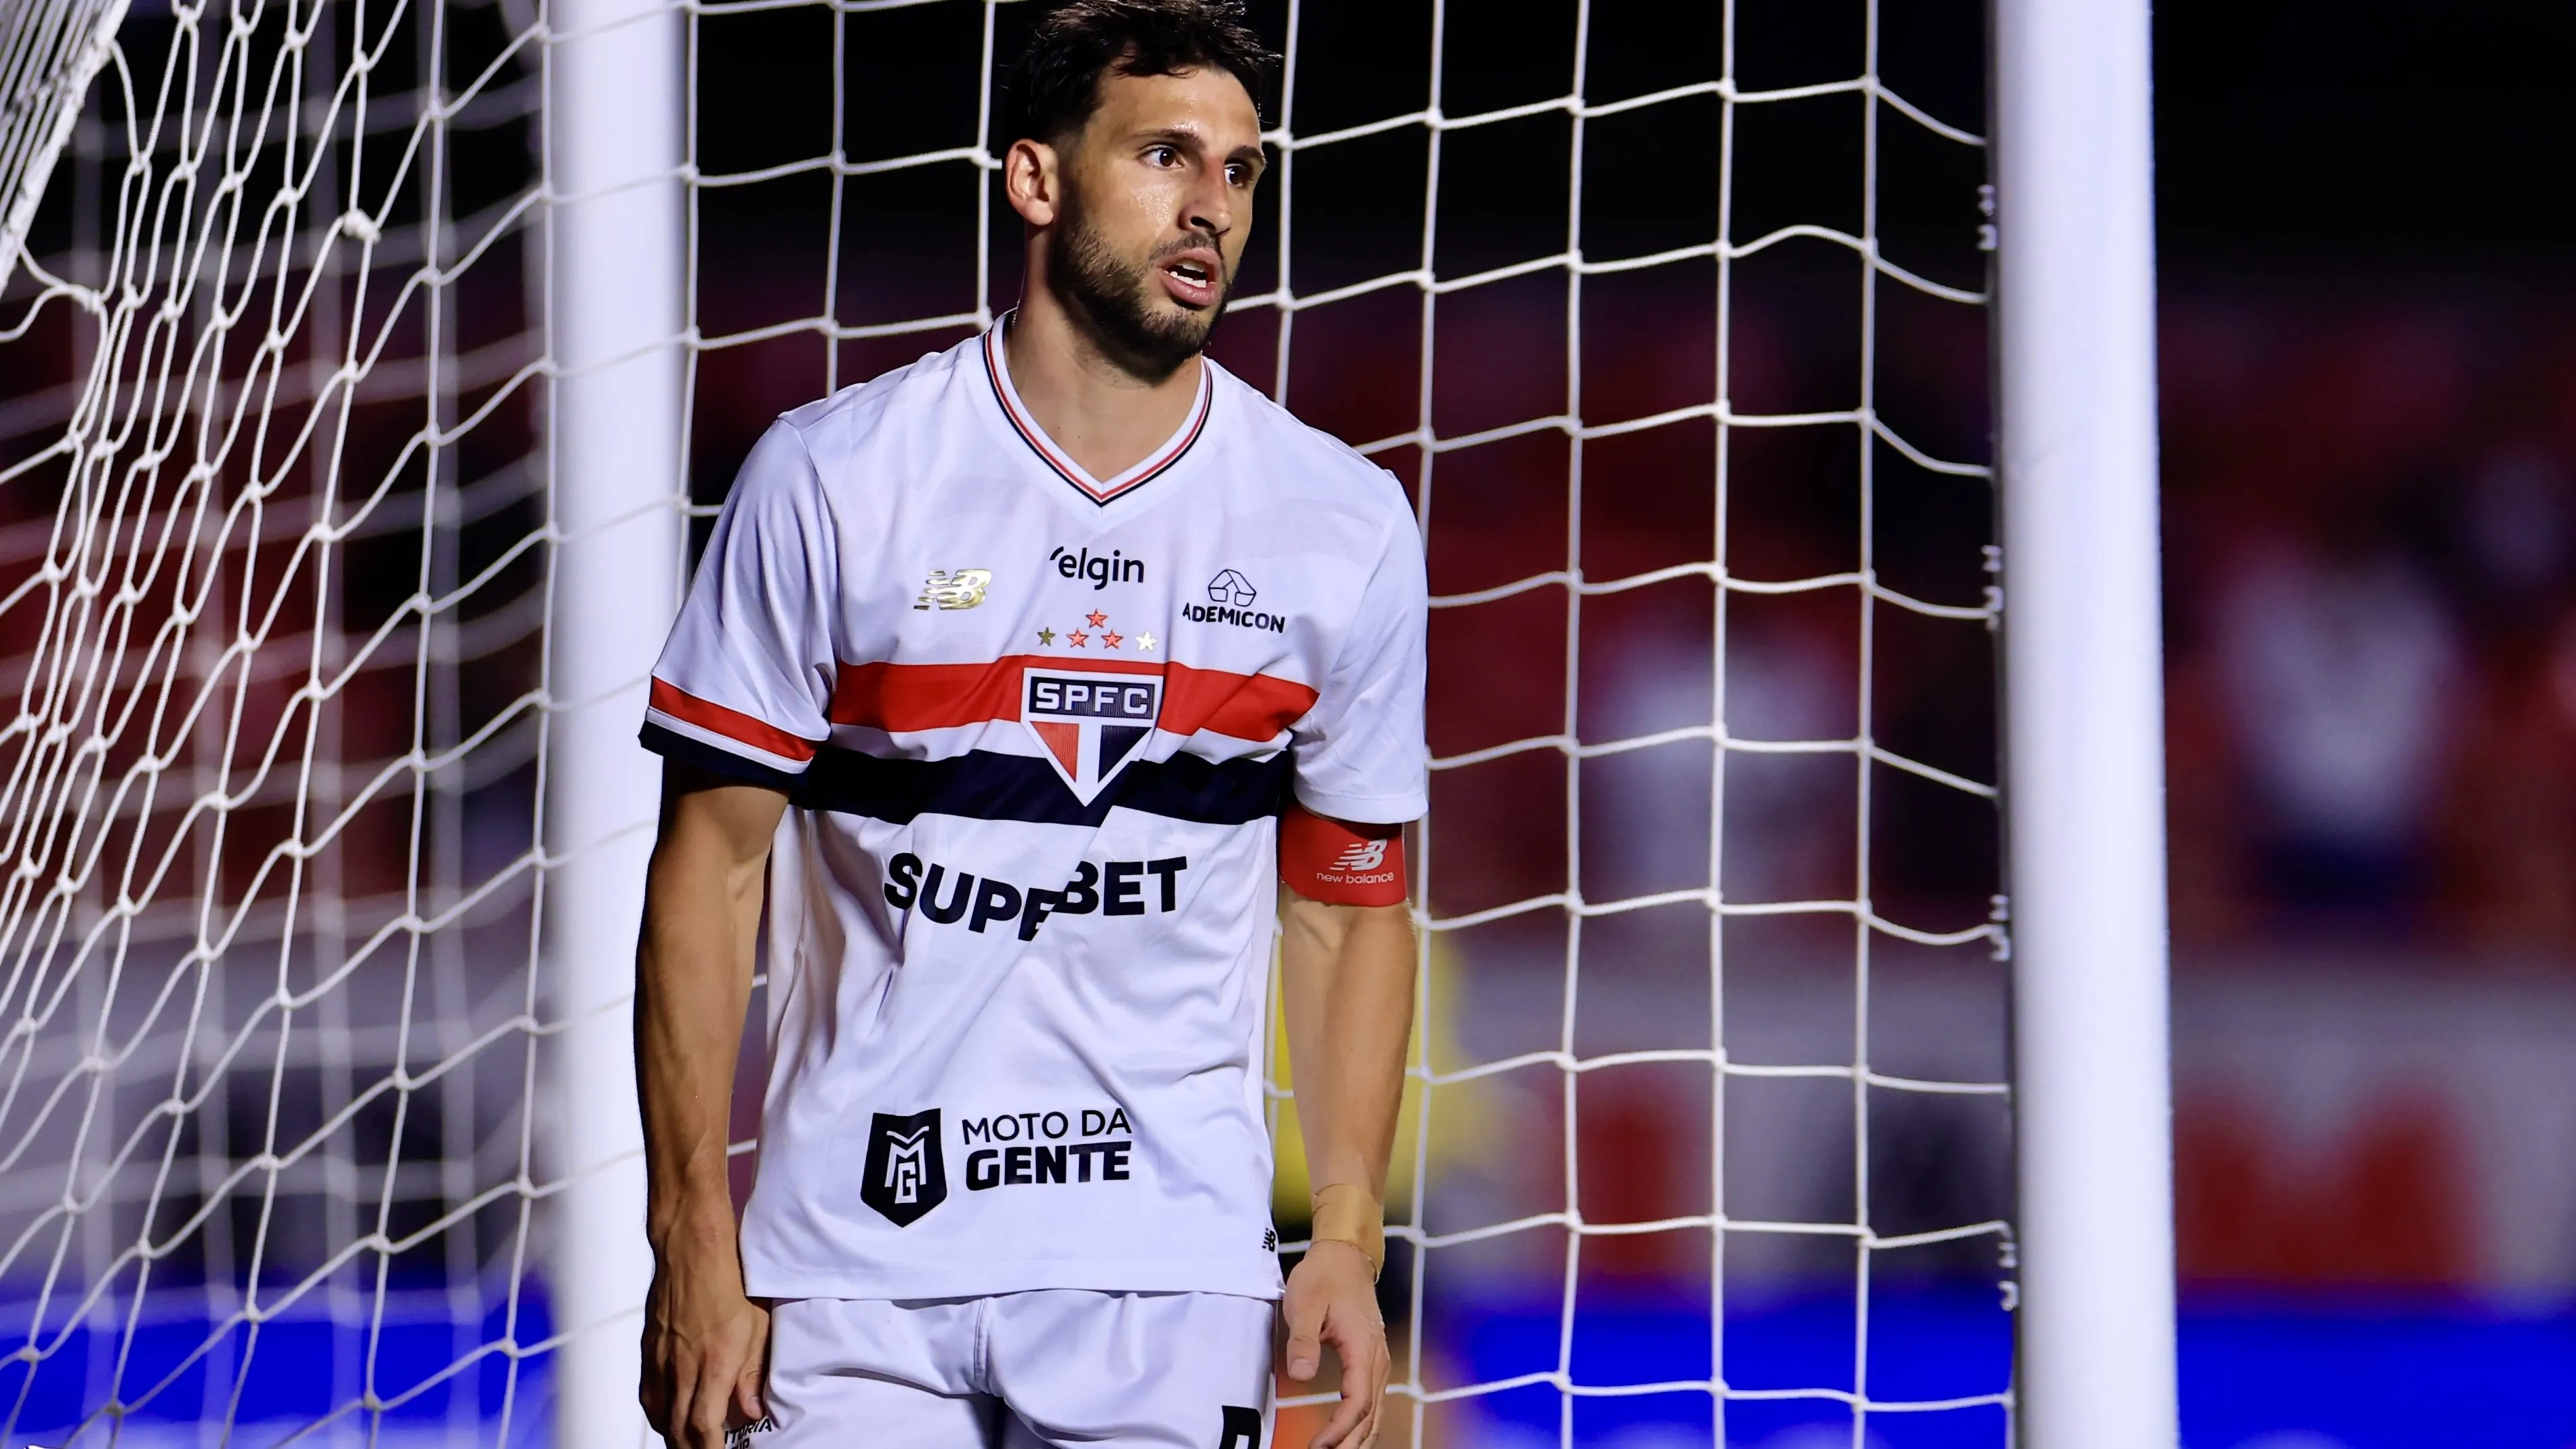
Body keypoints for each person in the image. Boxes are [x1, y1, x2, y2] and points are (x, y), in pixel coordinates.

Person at [630, 3, 1427, 1446]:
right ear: (1036, 181)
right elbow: (709, 866)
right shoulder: (834, 477)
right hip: (846, 1270)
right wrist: (690, 1230)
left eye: (1241, 172)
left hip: (1168, 1277)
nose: (1211, 207)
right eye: (1166, 156)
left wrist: (1349, 1239)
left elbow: (1350, 907)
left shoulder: (1341, 522)